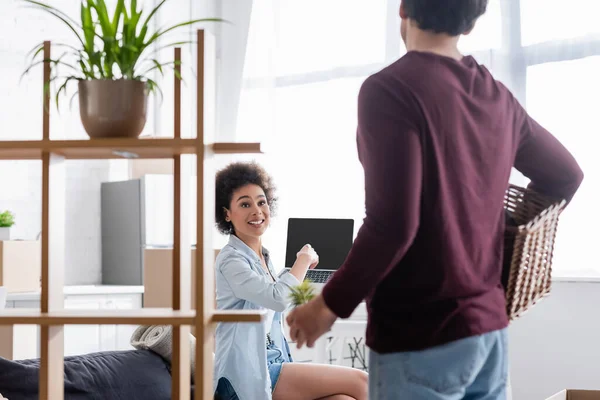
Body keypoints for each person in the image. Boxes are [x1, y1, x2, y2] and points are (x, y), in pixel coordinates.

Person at [286, 1, 584, 399]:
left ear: (403, 11)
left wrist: (326, 307)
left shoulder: (389, 91)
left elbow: (392, 224)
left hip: (419, 332)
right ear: (472, 18)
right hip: (488, 331)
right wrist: (493, 228)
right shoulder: (497, 95)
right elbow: (566, 175)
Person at [212, 161, 368, 400]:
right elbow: (277, 298)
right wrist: (303, 260)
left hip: (273, 364)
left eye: (261, 202)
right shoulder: (230, 260)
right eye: (245, 204)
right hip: (245, 375)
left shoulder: (263, 258)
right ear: (227, 213)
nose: (257, 211)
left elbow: (280, 298)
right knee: (362, 381)